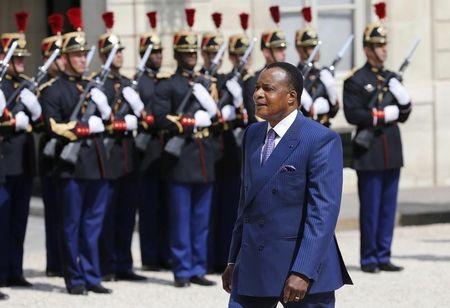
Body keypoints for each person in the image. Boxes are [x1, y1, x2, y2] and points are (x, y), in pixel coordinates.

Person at [222, 62, 352, 307]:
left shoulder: (320, 139)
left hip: (301, 268)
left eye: (268, 89)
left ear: (291, 97)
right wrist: (233, 260)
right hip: (254, 264)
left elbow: (322, 213)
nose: (258, 94)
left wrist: (303, 271)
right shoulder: (252, 135)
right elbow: (245, 205)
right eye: (257, 88)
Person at [40, 7, 112, 295]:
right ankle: (75, 278)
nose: (82, 59)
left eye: (84, 54)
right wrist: (86, 127)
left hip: (96, 163)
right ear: (65, 58)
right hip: (70, 165)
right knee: (71, 225)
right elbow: (53, 126)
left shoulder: (94, 86)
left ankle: (92, 275)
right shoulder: (54, 89)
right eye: (77, 55)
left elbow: (108, 121)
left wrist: (102, 115)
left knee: (93, 225)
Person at [343, 2, 412, 273]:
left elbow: (404, 113)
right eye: (378, 45)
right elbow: (353, 113)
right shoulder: (356, 80)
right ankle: (369, 258)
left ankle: (384, 254)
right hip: (368, 151)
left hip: (391, 149)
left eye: (384, 45)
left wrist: (402, 101)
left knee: (387, 207)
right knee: (370, 208)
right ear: (367, 49)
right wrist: (383, 115)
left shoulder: (392, 78)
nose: (383, 50)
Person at [153, 8, 217, 288]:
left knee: (201, 220)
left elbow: (218, 115)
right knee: (181, 220)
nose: (191, 57)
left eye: (194, 53)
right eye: (187, 54)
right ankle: (181, 269)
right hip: (180, 159)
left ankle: (198, 267)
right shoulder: (170, 85)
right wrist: (189, 122)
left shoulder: (205, 82)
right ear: (178, 56)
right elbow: (159, 116)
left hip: (204, 157)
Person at [97, 11, 147, 282]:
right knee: (107, 214)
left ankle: (124, 263)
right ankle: (107, 265)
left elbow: (143, 116)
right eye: (114, 52)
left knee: (127, 214)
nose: (119, 56)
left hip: (129, 156)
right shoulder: (98, 84)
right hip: (108, 156)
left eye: (120, 52)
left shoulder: (128, 83)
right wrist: (121, 123)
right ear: (104, 55)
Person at [0, 11, 41, 288]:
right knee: (2, 223)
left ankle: (15, 270)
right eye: (16, 58)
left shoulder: (26, 85)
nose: (21, 63)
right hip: (4, 162)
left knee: (18, 221)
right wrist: (14, 121)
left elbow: (39, 122)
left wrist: (33, 113)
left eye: (23, 58)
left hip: (24, 161)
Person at [210, 12, 251, 272]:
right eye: (237, 56)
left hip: (247, 152)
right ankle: (221, 258)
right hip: (228, 153)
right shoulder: (224, 81)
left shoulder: (254, 80)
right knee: (226, 209)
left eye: (245, 55)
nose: (242, 61)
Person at [136, 11, 170, 272]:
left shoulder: (163, 81)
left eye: (160, 52)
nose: (158, 56)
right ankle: (149, 256)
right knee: (148, 205)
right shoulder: (138, 82)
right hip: (146, 149)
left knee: (164, 204)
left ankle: (163, 253)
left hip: (164, 149)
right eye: (153, 52)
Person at [38, 13, 66, 278]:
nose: (63, 60)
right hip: (52, 154)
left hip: (70, 156)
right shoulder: (44, 87)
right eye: (57, 56)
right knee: (55, 211)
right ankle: (54, 262)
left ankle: (64, 261)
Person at [296, 6, 339, 127]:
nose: (315, 50)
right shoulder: (294, 75)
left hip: (324, 129)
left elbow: (333, 112)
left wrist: (332, 97)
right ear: (300, 49)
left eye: (316, 47)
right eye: (310, 47)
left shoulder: (323, 74)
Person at [244, 6, 286, 121]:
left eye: (284, 48)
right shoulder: (254, 81)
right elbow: (257, 116)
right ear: (266, 52)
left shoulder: (290, 78)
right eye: (278, 49)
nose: (284, 53)